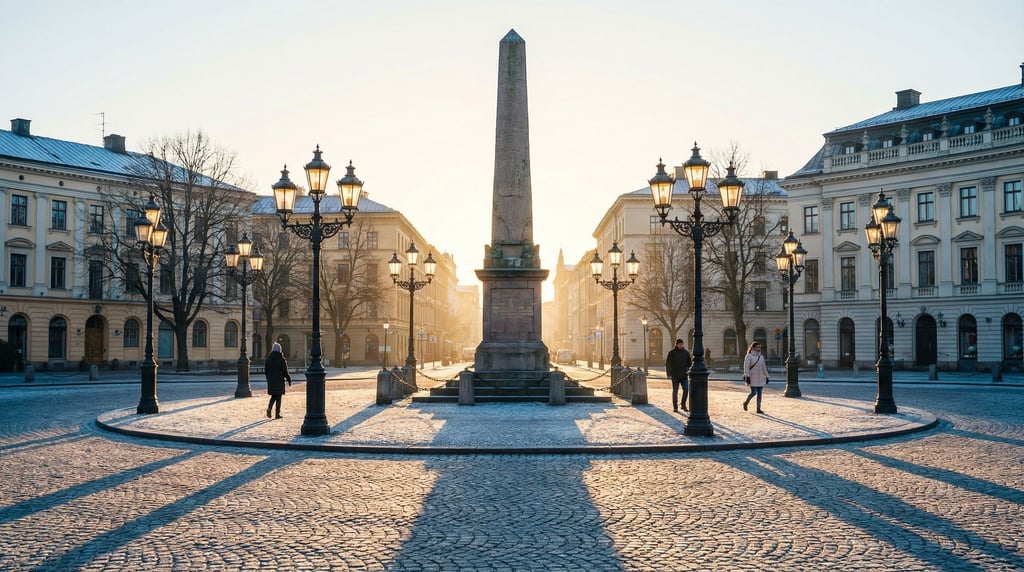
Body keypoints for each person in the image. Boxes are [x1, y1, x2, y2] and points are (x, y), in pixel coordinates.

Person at [265, 342, 292, 419]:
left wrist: (268, 379)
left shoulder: (269, 359)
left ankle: (269, 408)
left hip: (271, 380)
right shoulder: (281, 359)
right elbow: (285, 371)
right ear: (280, 350)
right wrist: (289, 379)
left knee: (273, 396)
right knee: (278, 397)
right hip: (279, 380)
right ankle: (277, 414)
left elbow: (266, 371)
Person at [742, 341, 770, 414]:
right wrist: (747, 376)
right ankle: (746, 402)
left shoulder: (761, 357)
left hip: (760, 378)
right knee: (754, 393)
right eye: (757, 347)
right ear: (753, 348)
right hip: (752, 377)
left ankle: (758, 408)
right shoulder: (749, 356)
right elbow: (746, 367)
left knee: (760, 394)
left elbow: (764, 368)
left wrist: (767, 376)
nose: (759, 348)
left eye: (759, 347)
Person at [665, 338, 692, 412]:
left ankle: (683, 405)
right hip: (675, 375)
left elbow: (689, 363)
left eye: (682, 344)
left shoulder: (685, 353)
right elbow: (668, 364)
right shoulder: (672, 353)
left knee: (686, 390)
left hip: (684, 375)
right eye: (680, 344)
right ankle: (675, 407)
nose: (681, 345)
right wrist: (669, 374)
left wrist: (689, 368)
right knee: (675, 391)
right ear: (677, 345)